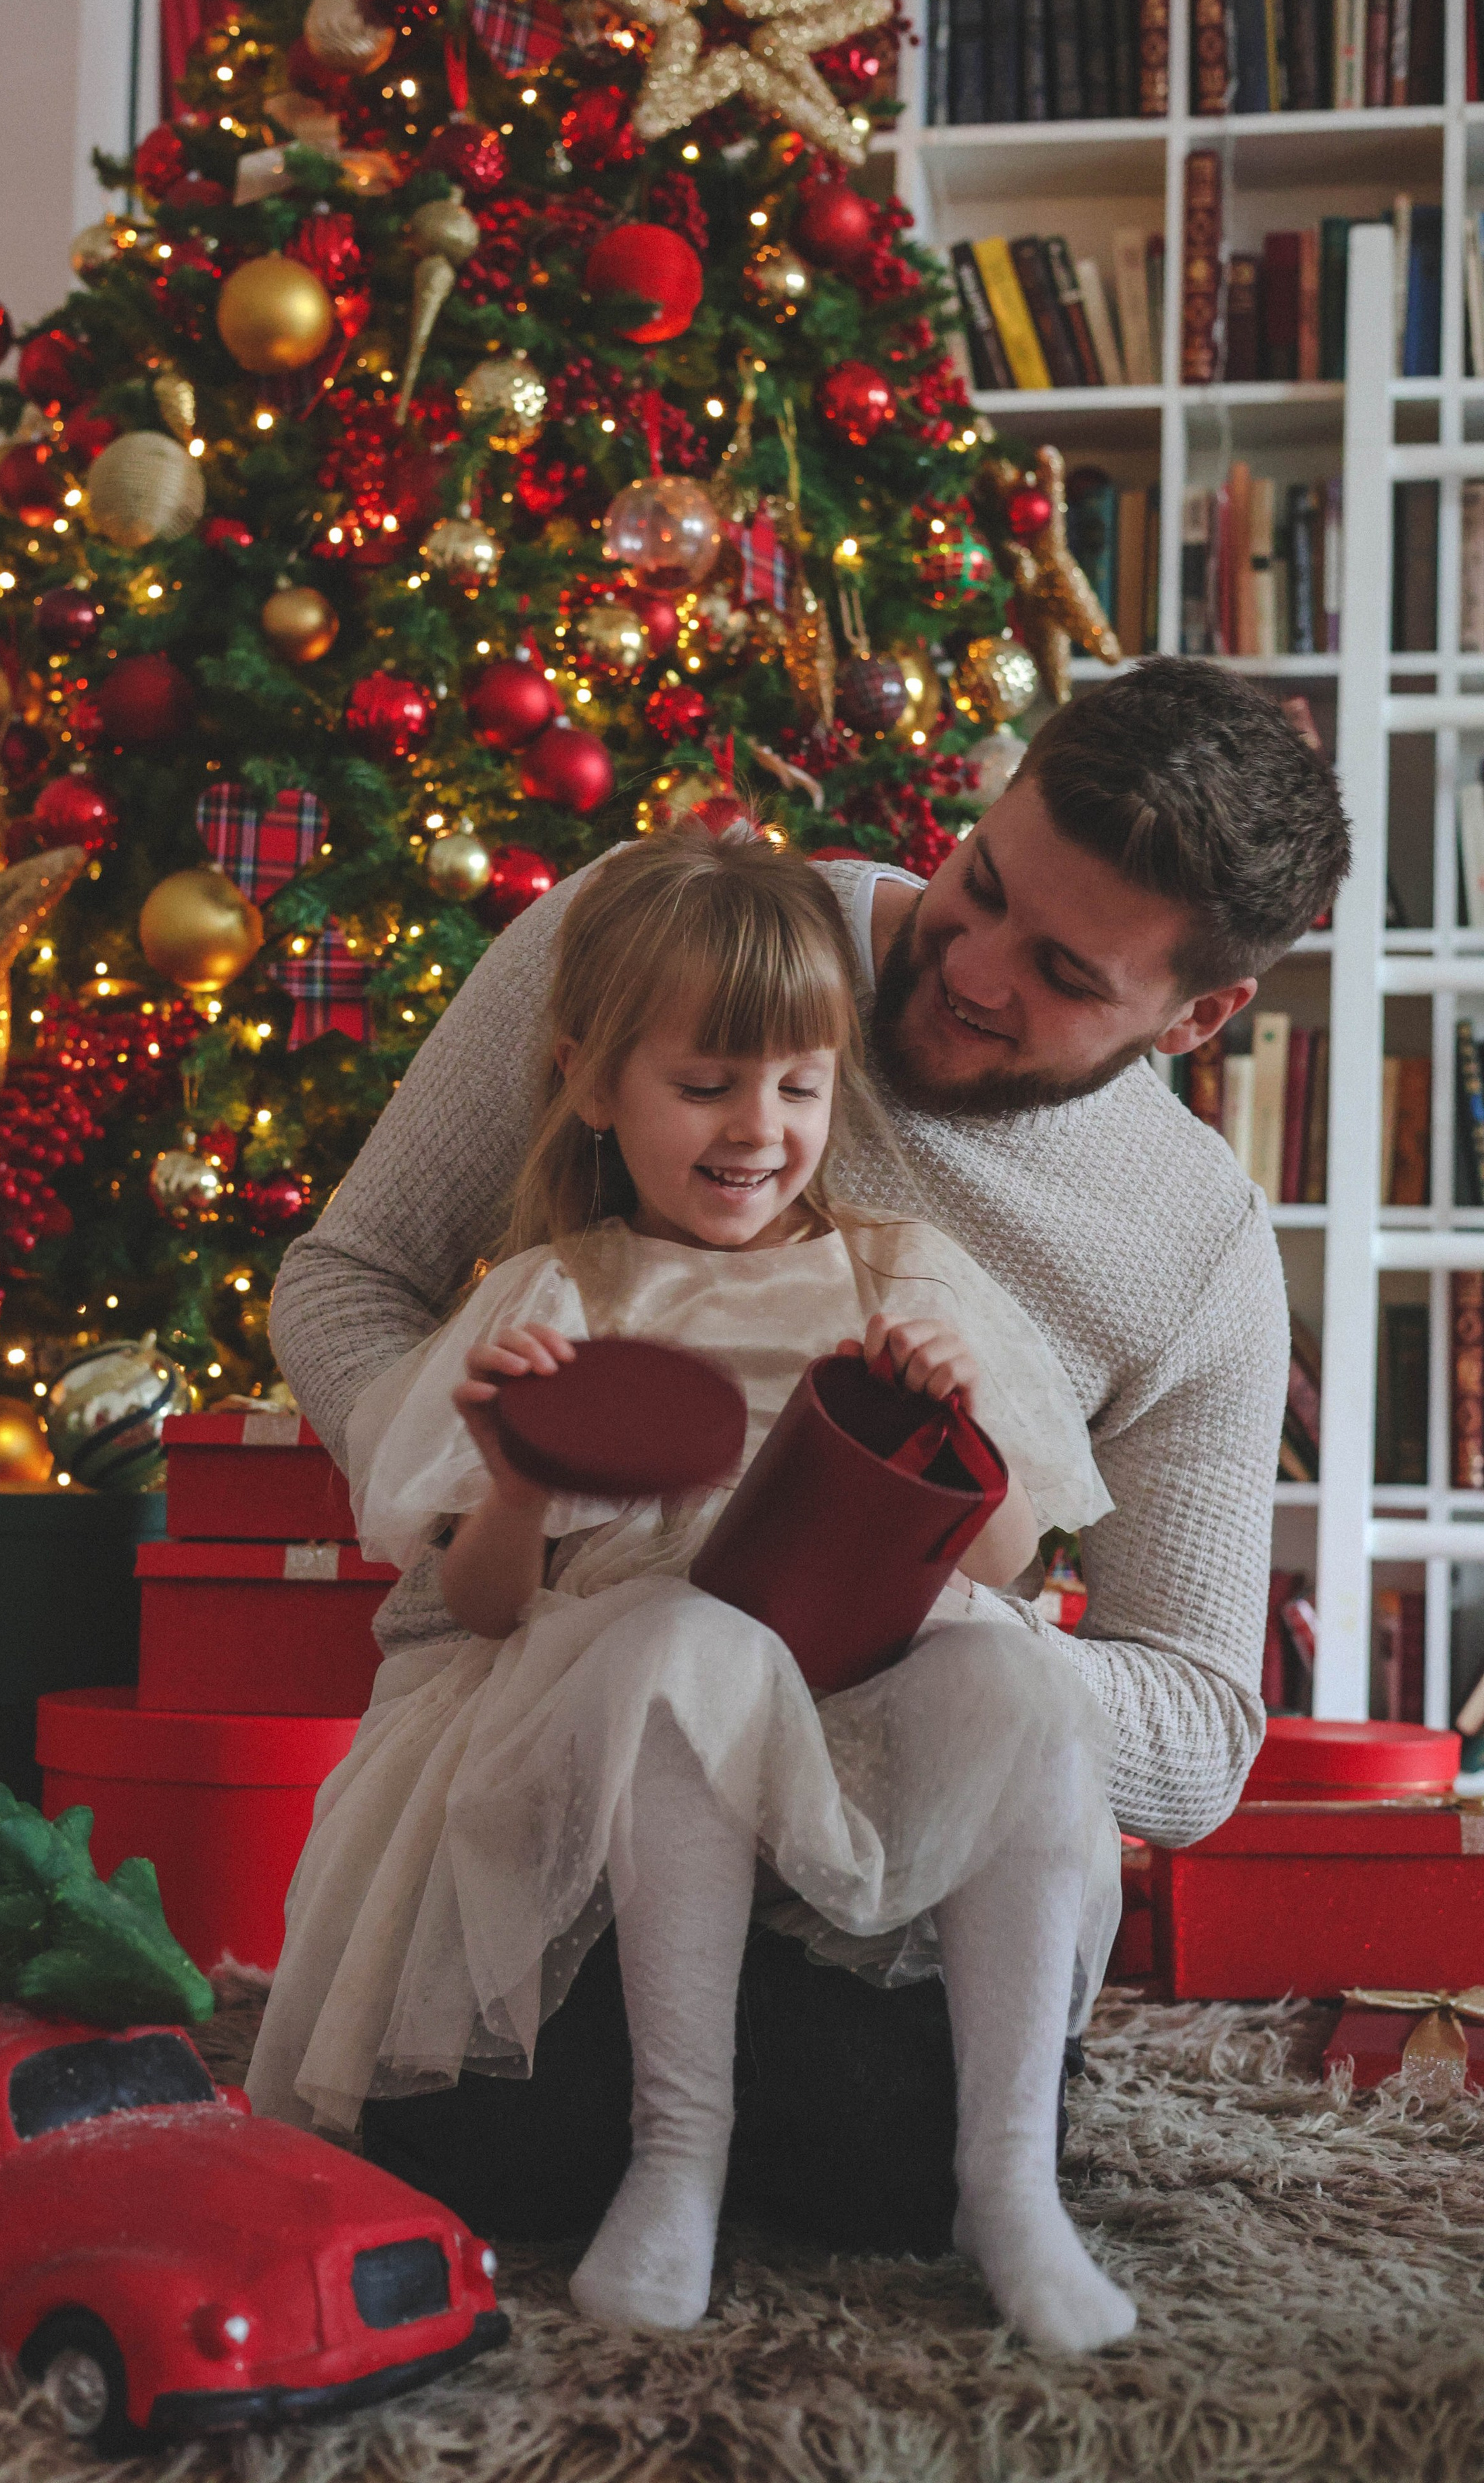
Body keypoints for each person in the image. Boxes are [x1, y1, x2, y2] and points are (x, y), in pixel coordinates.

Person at [264, 657, 1352, 2275]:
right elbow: (342, 1283)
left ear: (1194, 1019)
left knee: (888, 2173)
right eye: (975, 886)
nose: (964, 966)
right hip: (560, 1764)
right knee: (492, 2151)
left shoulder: (1190, 1245)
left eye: (1056, 971)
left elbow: (1194, 1737)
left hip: (881, 1857)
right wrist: (497, 1488)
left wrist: (898, 1624)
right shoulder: (677, 942)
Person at [249, 828, 1130, 2348]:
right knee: (681, 1635)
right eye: (705, 1086)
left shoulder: (893, 1273)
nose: (758, 1130)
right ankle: (679, 2152)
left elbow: (998, 1567)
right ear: (597, 1084)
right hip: (609, 1735)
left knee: (1028, 1675)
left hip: (851, 1707)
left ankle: (1006, 2186)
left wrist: (958, 1420)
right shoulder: (556, 1299)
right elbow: (480, 1607)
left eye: (796, 1086)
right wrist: (518, 1479)